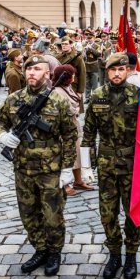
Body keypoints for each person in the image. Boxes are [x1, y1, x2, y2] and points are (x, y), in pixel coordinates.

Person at [0, 55, 77, 276]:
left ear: (47, 73)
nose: (31, 72)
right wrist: (3, 137)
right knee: (28, 213)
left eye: (37, 69)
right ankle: (40, 249)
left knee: (53, 215)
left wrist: (68, 168)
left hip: (50, 169)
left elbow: (70, 136)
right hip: (23, 169)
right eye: (28, 68)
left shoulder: (58, 100)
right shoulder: (13, 99)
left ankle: (54, 252)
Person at [81, 53, 140, 279]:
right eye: (113, 70)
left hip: (132, 165)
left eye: (121, 69)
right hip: (106, 166)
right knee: (108, 214)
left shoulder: (138, 95)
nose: (117, 73)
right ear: (107, 72)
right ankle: (115, 254)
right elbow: (88, 134)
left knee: (133, 212)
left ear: (127, 71)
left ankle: (132, 254)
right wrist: (86, 166)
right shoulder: (97, 96)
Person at [52, 64, 95, 196]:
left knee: (78, 153)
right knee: (66, 155)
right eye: (72, 74)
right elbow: (64, 111)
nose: (74, 77)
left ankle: (78, 180)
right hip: (64, 129)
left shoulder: (67, 88)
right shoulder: (56, 92)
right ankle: (65, 184)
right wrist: (75, 110)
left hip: (74, 126)